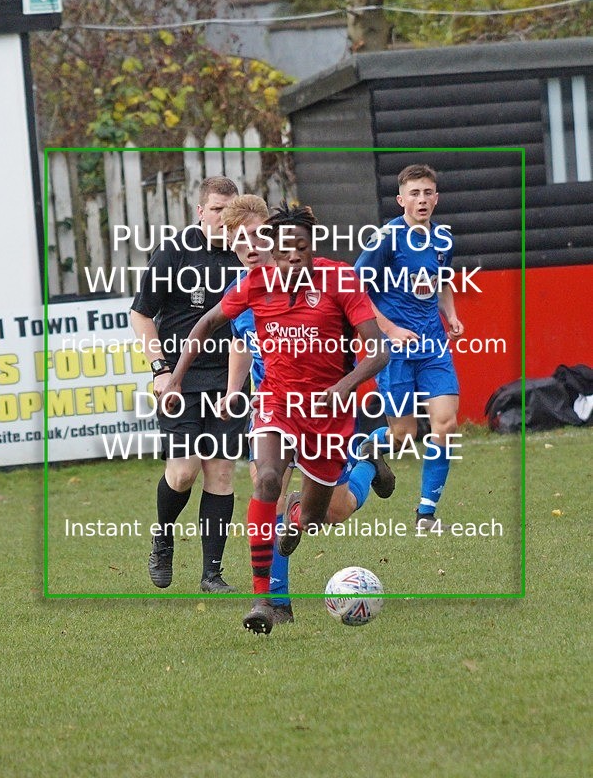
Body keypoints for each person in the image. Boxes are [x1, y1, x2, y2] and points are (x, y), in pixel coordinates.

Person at [162, 202, 390, 634]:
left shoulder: (340, 280)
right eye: (283, 249)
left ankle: (362, 464)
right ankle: (266, 599)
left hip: (329, 413)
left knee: (318, 517)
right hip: (277, 404)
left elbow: (378, 349)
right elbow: (208, 325)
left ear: (311, 246)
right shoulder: (253, 285)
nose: (291, 257)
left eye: (299, 248)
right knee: (267, 480)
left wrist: (343, 387)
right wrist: (175, 379)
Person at [130, 176, 246, 593]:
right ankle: (163, 537)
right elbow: (141, 314)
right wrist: (161, 369)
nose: (223, 219)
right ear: (200, 212)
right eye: (216, 210)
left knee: (221, 473)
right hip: (180, 381)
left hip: (230, 380)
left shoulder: (246, 257)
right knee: (182, 472)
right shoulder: (176, 252)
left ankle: (211, 574)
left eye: (230, 212)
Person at [354, 164, 464, 531]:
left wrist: (451, 315)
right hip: (395, 353)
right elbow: (356, 289)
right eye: (414, 193)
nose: (422, 200)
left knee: (445, 425)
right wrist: (391, 329)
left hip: (433, 347)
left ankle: (426, 515)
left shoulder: (443, 240)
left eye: (427, 192)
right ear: (401, 199)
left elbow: (442, 281)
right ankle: (369, 446)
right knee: (404, 436)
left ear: (436, 198)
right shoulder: (385, 239)